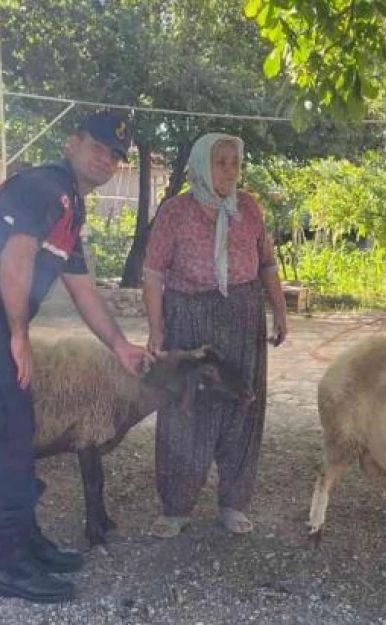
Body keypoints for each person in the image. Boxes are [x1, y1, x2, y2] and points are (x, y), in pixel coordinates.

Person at [0, 110, 152, 604]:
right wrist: (19, 333)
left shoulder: (70, 207)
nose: (106, 158)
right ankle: (9, 566)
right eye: (98, 146)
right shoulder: (47, 187)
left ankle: (28, 542)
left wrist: (120, 346)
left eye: (115, 155)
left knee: (19, 428)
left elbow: (82, 289)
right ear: (72, 141)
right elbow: (16, 256)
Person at [141, 132, 289, 538]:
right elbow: (153, 273)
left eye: (235, 162)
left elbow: (267, 265)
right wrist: (157, 328)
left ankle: (233, 502)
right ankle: (176, 506)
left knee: (242, 405)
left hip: (242, 317)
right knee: (185, 409)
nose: (229, 170)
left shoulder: (250, 209)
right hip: (189, 315)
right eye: (220, 162)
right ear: (201, 165)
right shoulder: (175, 212)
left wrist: (279, 311)